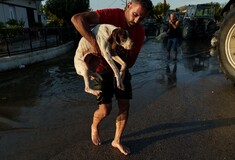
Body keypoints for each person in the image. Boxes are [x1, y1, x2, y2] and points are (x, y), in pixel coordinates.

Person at [71, 0, 153, 156]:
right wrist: (95, 45)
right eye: (135, 14)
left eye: (141, 18)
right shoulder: (111, 15)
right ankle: (94, 125)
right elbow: (77, 19)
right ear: (128, 5)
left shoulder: (140, 32)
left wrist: (121, 52)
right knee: (105, 110)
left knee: (124, 105)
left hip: (120, 69)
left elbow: (131, 63)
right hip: (100, 70)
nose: (136, 21)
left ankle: (117, 140)